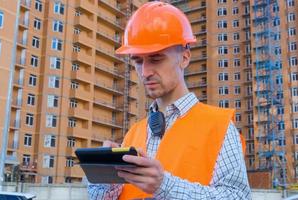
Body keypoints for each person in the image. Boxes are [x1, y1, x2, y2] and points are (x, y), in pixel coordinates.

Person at [87, 2, 251, 199]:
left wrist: (164, 186)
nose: (145, 72)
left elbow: (237, 197)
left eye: (156, 59)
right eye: (138, 61)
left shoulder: (219, 127)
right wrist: (106, 179)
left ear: (185, 57)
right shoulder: (133, 134)